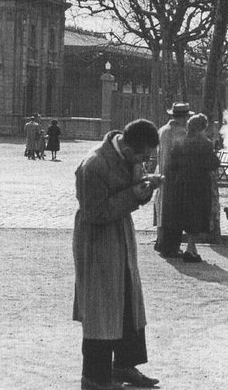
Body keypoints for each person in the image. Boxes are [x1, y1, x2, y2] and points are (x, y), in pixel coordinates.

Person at [73, 119, 162, 390]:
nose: (144, 162)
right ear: (127, 145)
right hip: (98, 239)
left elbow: (132, 192)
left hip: (120, 232)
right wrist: (136, 194)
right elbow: (95, 212)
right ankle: (94, 378)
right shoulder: (95, 165)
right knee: (102, 307)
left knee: (127, 300)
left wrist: (146, 188)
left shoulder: (130, 156)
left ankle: (124, 365)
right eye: (143, 157)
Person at [165, 114, 221, 263]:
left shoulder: (179, 142)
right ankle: (190, 249)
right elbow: (214, 164)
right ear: (202, 128)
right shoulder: (205, 144)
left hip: (181, 184)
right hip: (199, 185)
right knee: (196, 216)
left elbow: (171, 165)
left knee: (185, 215)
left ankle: (192, 249)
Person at [154, 102, 193, 258]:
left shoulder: (162, 130)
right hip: (176, 176)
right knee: (175, 214)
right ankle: (171, 247)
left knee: (162, 211)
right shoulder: (182, 133)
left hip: (162, 173)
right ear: (183, 117)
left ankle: (161, 242)